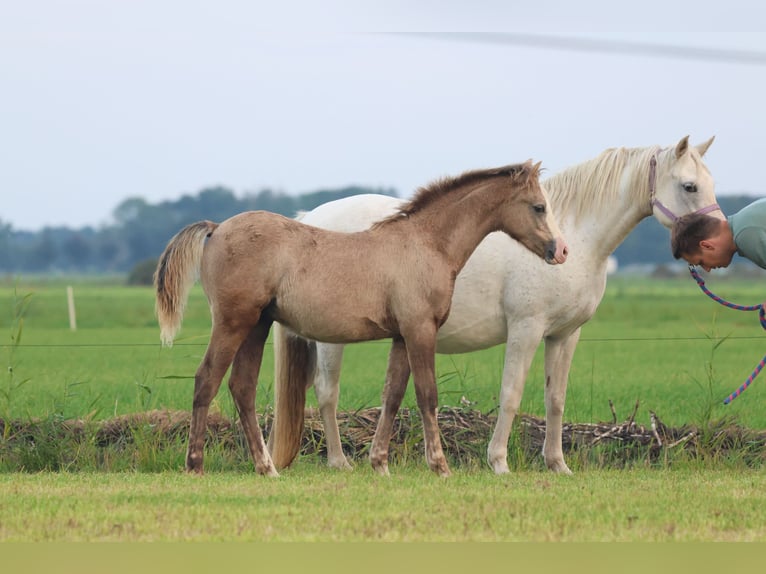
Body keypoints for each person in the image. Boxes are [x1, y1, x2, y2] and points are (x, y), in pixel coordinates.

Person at [671, 198, 766, 271]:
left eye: (701, 262)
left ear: (706, 245)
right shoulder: (746, 219)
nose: (707, 270)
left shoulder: (745, 235)